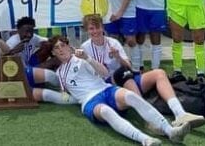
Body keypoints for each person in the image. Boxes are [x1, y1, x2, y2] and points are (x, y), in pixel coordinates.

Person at [49, 35, 191, 146]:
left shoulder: (81, 58)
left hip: (105, 89)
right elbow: (65, 94)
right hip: (89, 101)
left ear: (69, 46)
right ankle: (145, 139)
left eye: (63, 45)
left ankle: (170, 131)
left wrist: (88, 58)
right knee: (105, 111)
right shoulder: (59, 73)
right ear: (53, 53)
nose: (61, 49)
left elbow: (104, 73)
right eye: (56, 48)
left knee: (131, 96)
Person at [0, 34, 76, 110]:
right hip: (2, 93)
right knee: (49, 95)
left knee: (50, 75)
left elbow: (7, 50)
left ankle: (68, 87)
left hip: (10, 75)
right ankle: (78, 99)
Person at [5, 17, 60, 87]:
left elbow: (47, 41)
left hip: (29, 63)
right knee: (54, 62)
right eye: (26, 31)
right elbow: (1, 61)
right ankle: (61, 84)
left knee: (48, 45)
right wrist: (13, 51)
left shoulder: (33, 37)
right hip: (22, 72)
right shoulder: (12, 42)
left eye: (31, 31)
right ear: (18, 30)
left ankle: (57, 72)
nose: (29, 35)